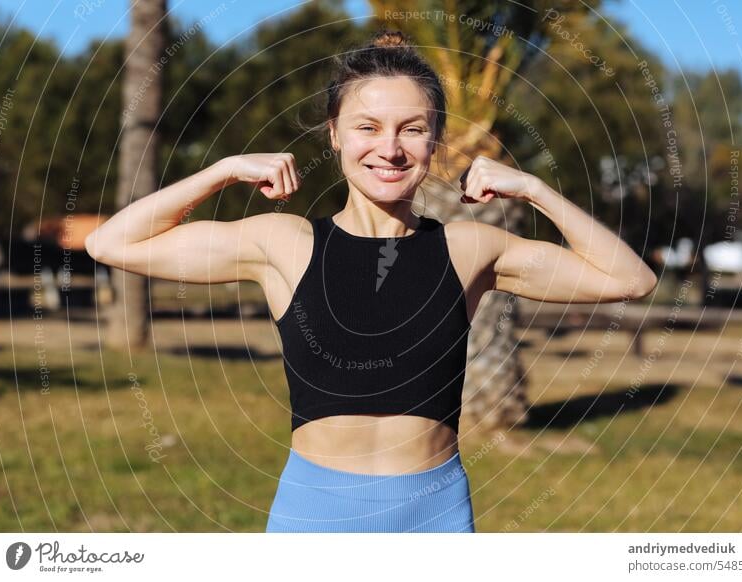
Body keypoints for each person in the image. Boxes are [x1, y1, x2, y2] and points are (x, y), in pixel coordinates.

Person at [86, 29, 657, 533]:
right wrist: (223, 171)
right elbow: (110, 243)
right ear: (334, 134)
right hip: (315, 513)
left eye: (412, 129)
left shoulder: (469, 247)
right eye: (367, 127)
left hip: (434, 517)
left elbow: (630, 278)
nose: (389, 148)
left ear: (435, 142)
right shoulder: (284, 244)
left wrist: (534, 188)